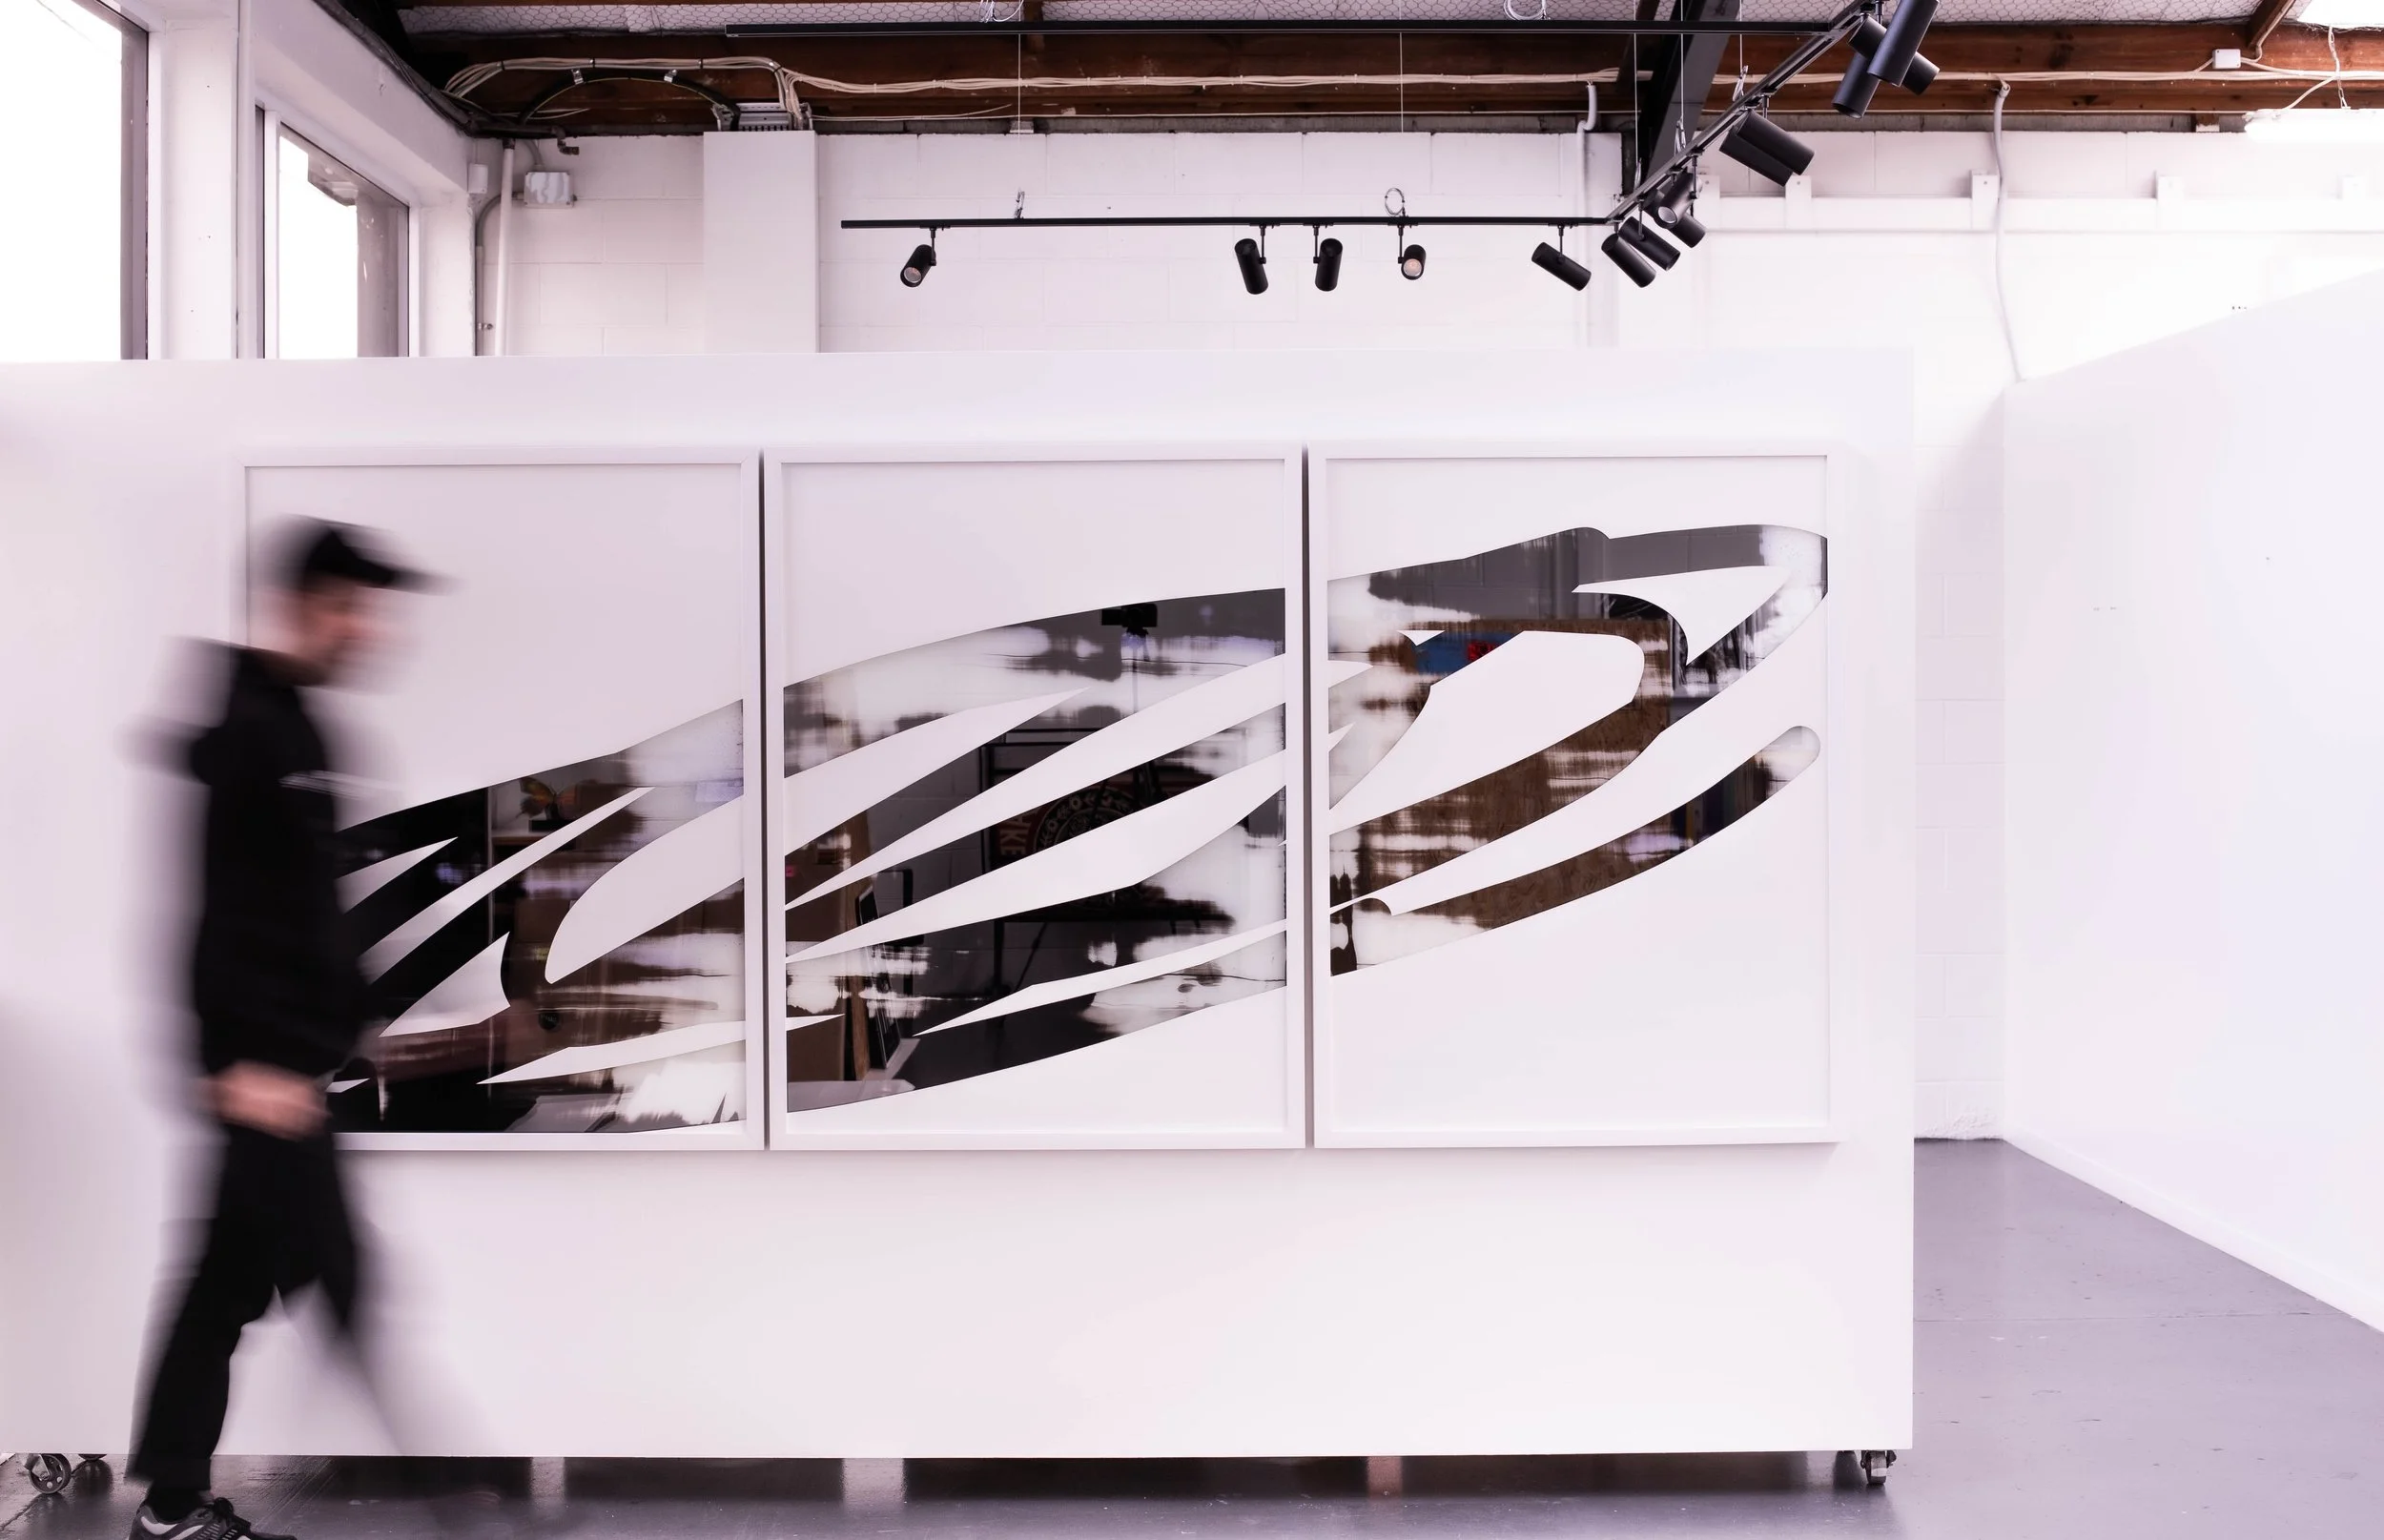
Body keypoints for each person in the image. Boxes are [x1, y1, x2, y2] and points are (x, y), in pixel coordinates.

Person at [129, 523, 425, 1540]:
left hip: (290, 1065)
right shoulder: (256, 730)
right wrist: (228, 1063)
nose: (367, 627)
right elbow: (213, 909)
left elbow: (302, 907)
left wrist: (356, 1017)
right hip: (264, 1076)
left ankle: (170, 1511)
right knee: (341, 1279)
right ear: (302, 605)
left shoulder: (298, 727)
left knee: (221, 1290)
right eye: (350, 605)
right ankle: (464, 1513)